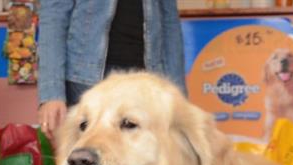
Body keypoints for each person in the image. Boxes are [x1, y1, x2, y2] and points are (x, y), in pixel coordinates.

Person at [37, 0, 186, 139]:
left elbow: (169, 22)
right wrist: (52, 93)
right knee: (90, 160)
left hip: (147, 81)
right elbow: (54, 16)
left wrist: (179, 98)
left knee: (146, 164)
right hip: (86, 81)